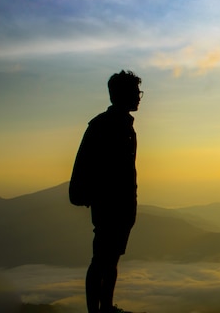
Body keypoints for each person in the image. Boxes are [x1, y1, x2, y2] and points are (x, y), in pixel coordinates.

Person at [72, 70, 143, 313]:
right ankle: (97, 310)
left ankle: (105, 307)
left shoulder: (119, 125)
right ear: (123, 95)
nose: (139, 98)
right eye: (136, 92)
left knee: (109, 259)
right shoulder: (106, 125)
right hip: (110, 205)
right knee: (102, 259)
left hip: (119, 205)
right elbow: (94, 166)